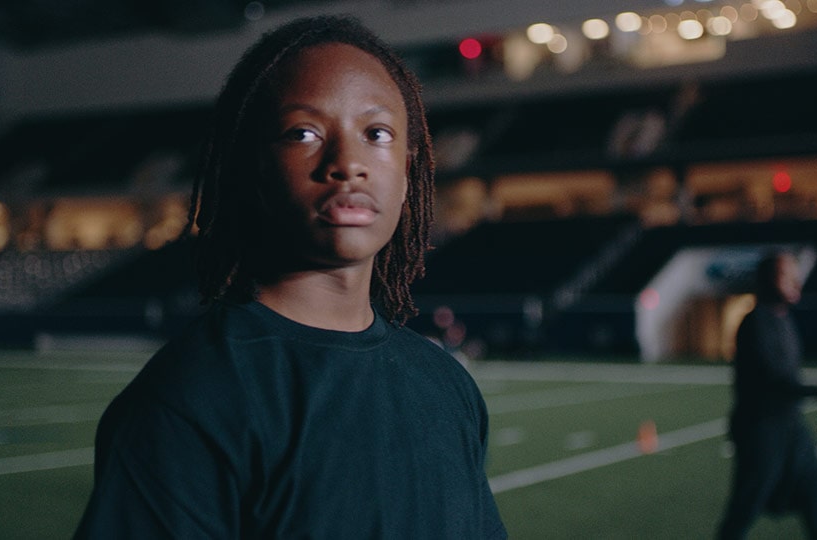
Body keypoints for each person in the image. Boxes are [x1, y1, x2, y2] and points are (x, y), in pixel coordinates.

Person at [74, 15, 507, 539]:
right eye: (304, 133)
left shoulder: (447, 386)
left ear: (408, 170)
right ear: (254, 167)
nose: (348, 163)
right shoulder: (190, 400)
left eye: (376, 133)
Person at [717, 251, 817, 539]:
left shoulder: (782, 319)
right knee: (743, 512)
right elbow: (778, 381)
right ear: (766, 280)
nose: (796, 283)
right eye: (786, 276)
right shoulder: (756, 323)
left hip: (790, 426)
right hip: (760, 430)